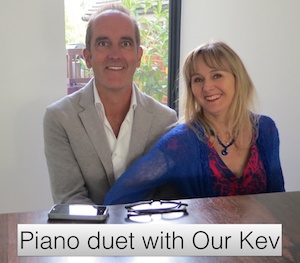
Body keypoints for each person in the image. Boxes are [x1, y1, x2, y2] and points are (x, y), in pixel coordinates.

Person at [103, 41, 285, 205]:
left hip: (263, 239)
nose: (207, 87)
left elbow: (279, 199)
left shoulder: (265, 129)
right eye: (198, 79)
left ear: (238, 78)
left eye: (217, 76)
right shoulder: (180, 142)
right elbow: (117, 198)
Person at [43, 3, 177, 205]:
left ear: (139, 56)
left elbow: (166, 199)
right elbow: (70, 199)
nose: (115, 54)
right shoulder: (59, 118)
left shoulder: (165, 121)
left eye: (125, 43)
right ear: (88, 57)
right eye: (104, 43)